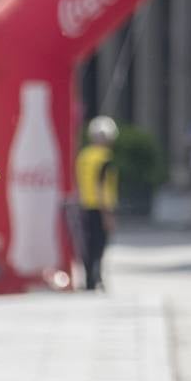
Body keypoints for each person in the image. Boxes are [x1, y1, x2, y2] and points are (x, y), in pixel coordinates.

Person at [75, 116, 119, 290]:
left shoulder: (84, 155)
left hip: (84, 205)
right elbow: (102, 185)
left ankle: (88, 280)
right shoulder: (105, 157)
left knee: (87, 244)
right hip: (101, 207)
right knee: (100, 244)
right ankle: (97, 277)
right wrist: (107, 213)